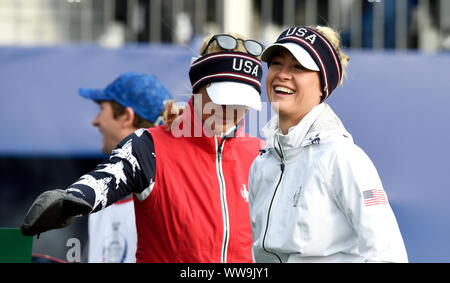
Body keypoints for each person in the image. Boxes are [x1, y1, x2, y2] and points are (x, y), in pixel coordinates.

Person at [21, 33, 265, 263]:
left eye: (241, 100)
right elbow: (108, 177)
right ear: (199, 87)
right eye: (222, 96)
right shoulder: (148, 145)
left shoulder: (263, 154)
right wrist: (73, 198)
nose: (230, 108)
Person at [248, 25, 408, 263]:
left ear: (323, 87)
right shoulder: (261, 164)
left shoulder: (343, 157)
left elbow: (389, 256)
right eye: (276, 63)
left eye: (298, 67)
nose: (282, 74)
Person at [78, 72, 171, 262]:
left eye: (102, 109)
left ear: (127, 117)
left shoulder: (171, 199)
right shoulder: (101, 197)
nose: (95, 121)